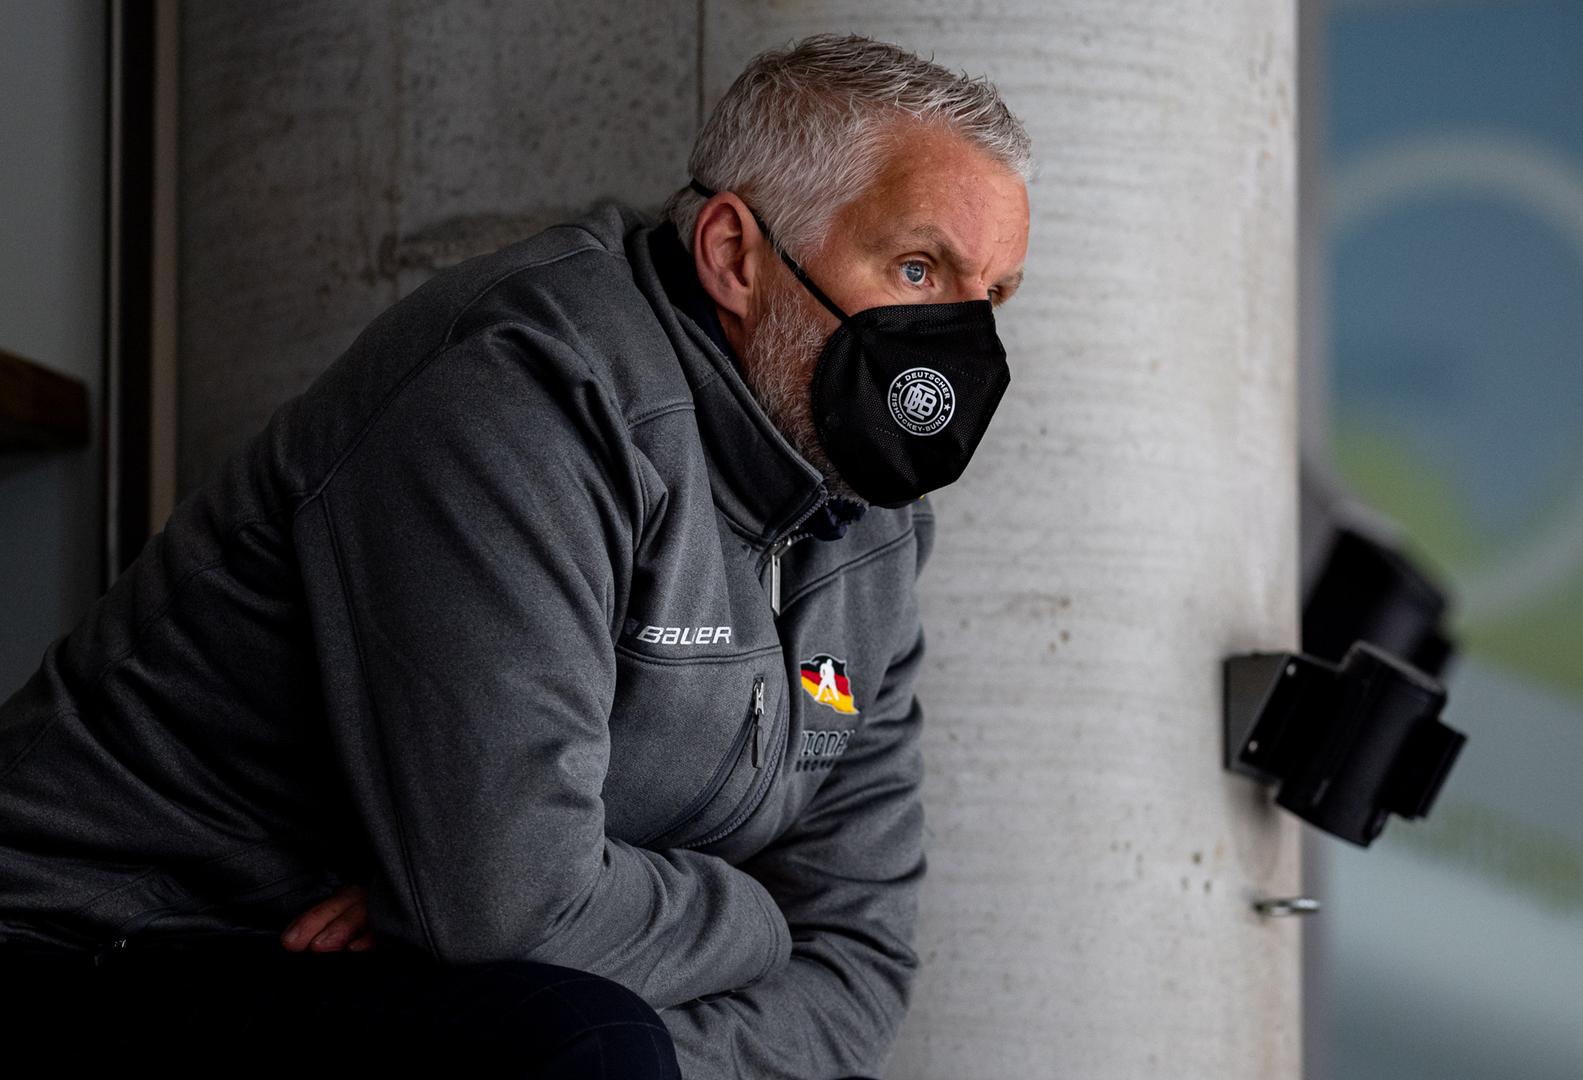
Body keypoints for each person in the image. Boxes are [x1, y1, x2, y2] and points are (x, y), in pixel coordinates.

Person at [0, 32, 1031, 1079]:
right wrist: (756, 917)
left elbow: (855, 967)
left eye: (989, 299)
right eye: (917, 268)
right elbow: (508, 906)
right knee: (583, 1042)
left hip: (421, 987)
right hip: (106, 933)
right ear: (733, 254)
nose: (961, 345)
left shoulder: (871, 532)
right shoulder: (529, 391)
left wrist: (655, 1010)